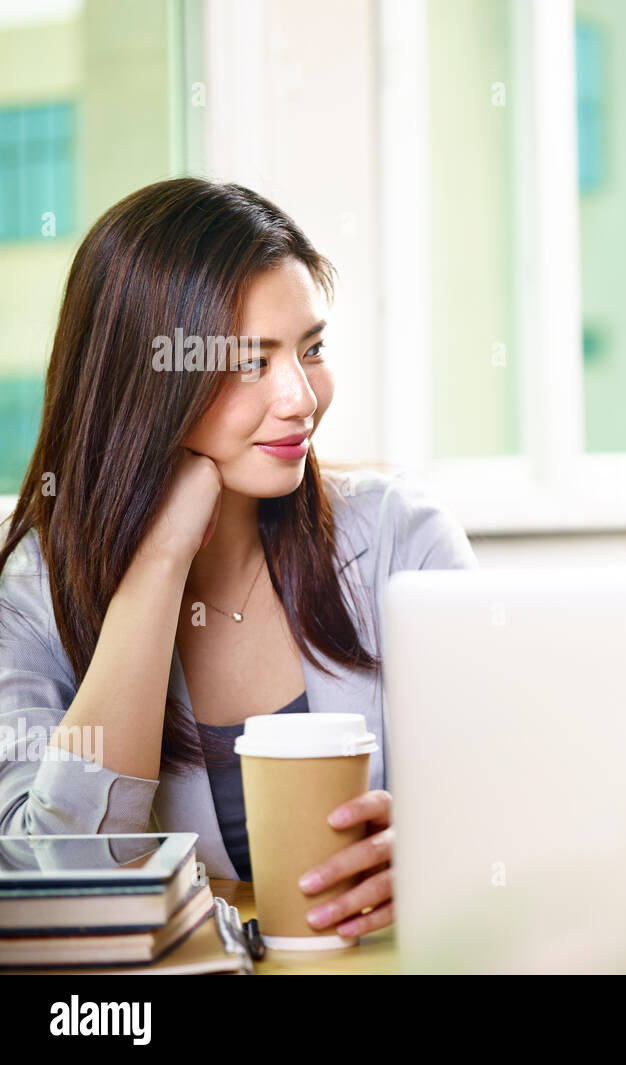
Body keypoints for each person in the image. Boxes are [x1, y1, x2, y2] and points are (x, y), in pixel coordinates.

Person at [0, 178, 476, 940]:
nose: (300, 398)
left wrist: (442, 847)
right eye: (251, 361)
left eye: (311, 349)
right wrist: (159, 559)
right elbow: (51, 877)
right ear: (145, 382)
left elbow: (511, 795)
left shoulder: (400, 537)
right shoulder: (30, 592)